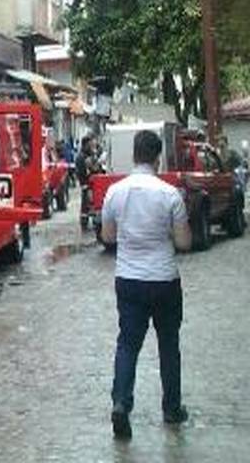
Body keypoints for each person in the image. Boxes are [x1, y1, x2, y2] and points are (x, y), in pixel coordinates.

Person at [101, 129, 192, 440]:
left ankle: (121, 403)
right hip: (164, 280)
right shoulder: (170, 195)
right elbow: (183, 242)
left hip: (129, 279)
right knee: (169, 344)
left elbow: (108, 237)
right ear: (157, 158)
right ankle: (172, 408)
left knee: (127, 344)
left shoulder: (115, 192)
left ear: (134, 155)